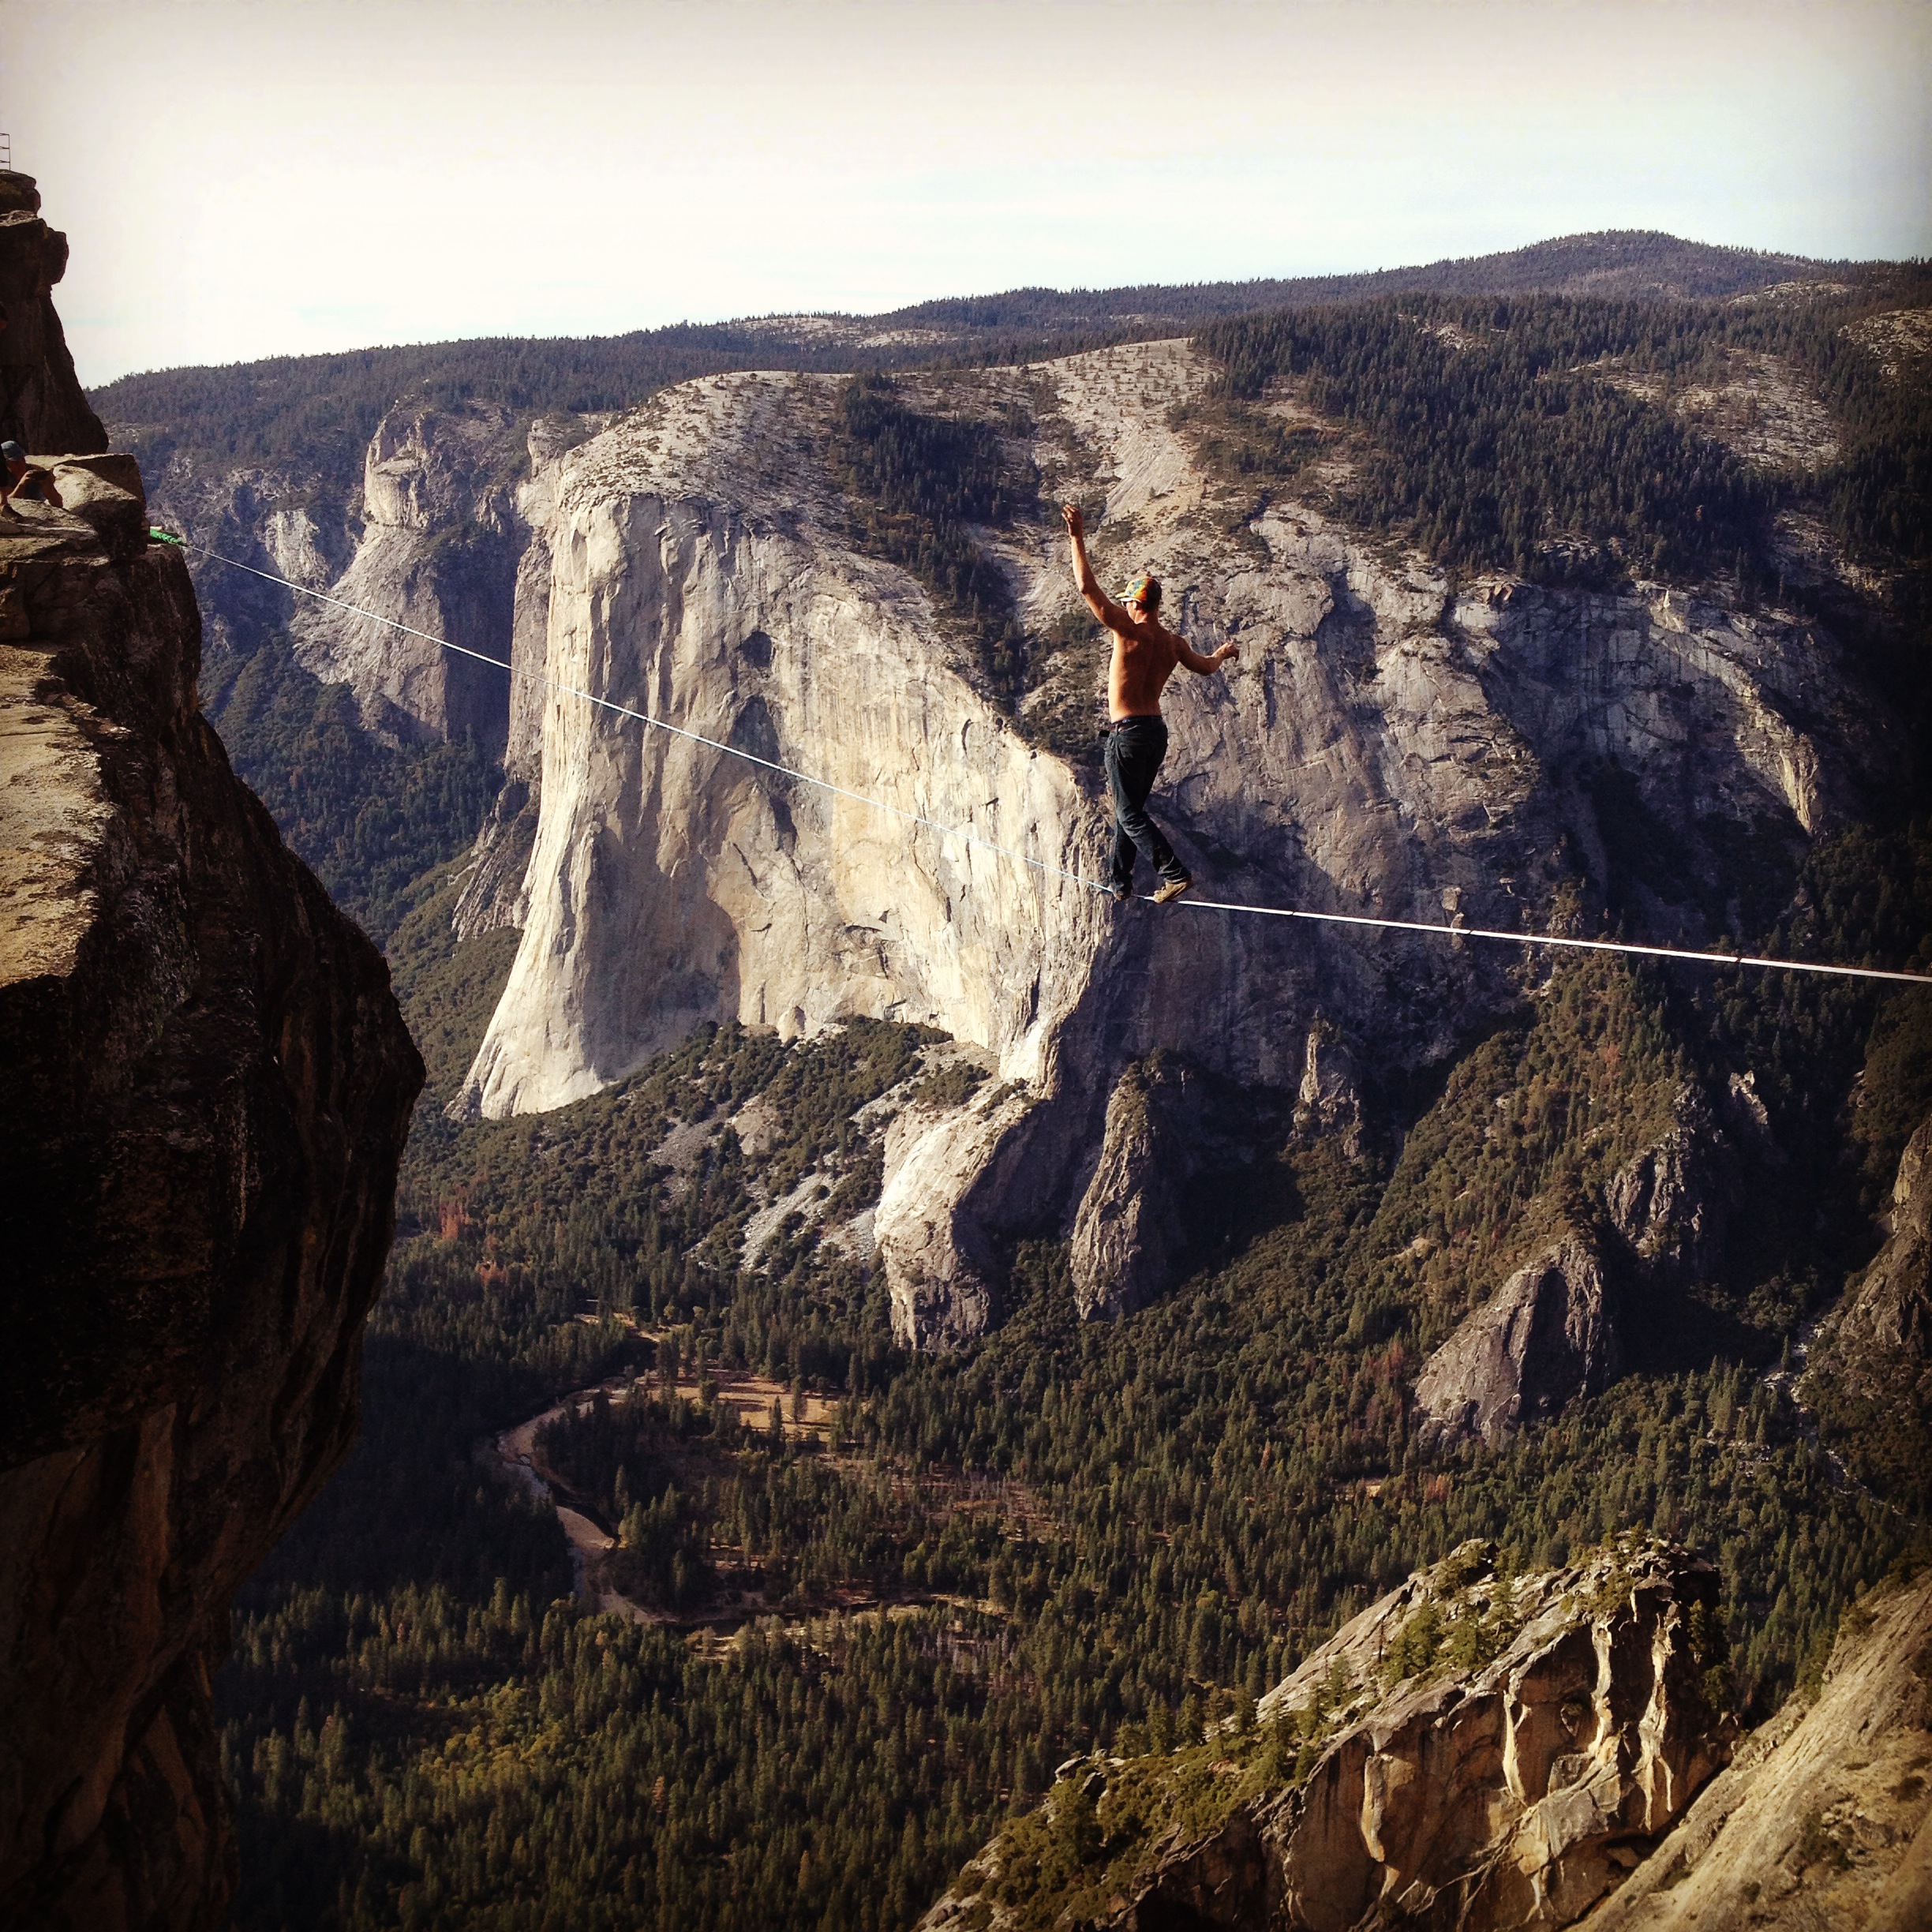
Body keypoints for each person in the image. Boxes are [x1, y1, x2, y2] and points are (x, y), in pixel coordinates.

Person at [1062, 501, 1237, 904]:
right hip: (1155, 733)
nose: (1123, 606)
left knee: (1127, 812)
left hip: (1127, 734)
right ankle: (1120, 882)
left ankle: (1174, 873)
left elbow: (1087, 589)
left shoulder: (1127, 630)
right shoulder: (1173, 644)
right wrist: (1224, 653)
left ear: (1137, 605)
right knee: (1132, 808)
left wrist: (1076, 537)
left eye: (1127, 601)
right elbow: (1207, 668)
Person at [0, 440, 62, 519]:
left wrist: (49, 488)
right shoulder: (3, 477)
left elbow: (58, 504)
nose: (22, 465)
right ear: (6, 463)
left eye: (23, 460)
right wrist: (22, 485)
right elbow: (6, 504)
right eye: (16, 463)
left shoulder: (35, 470)